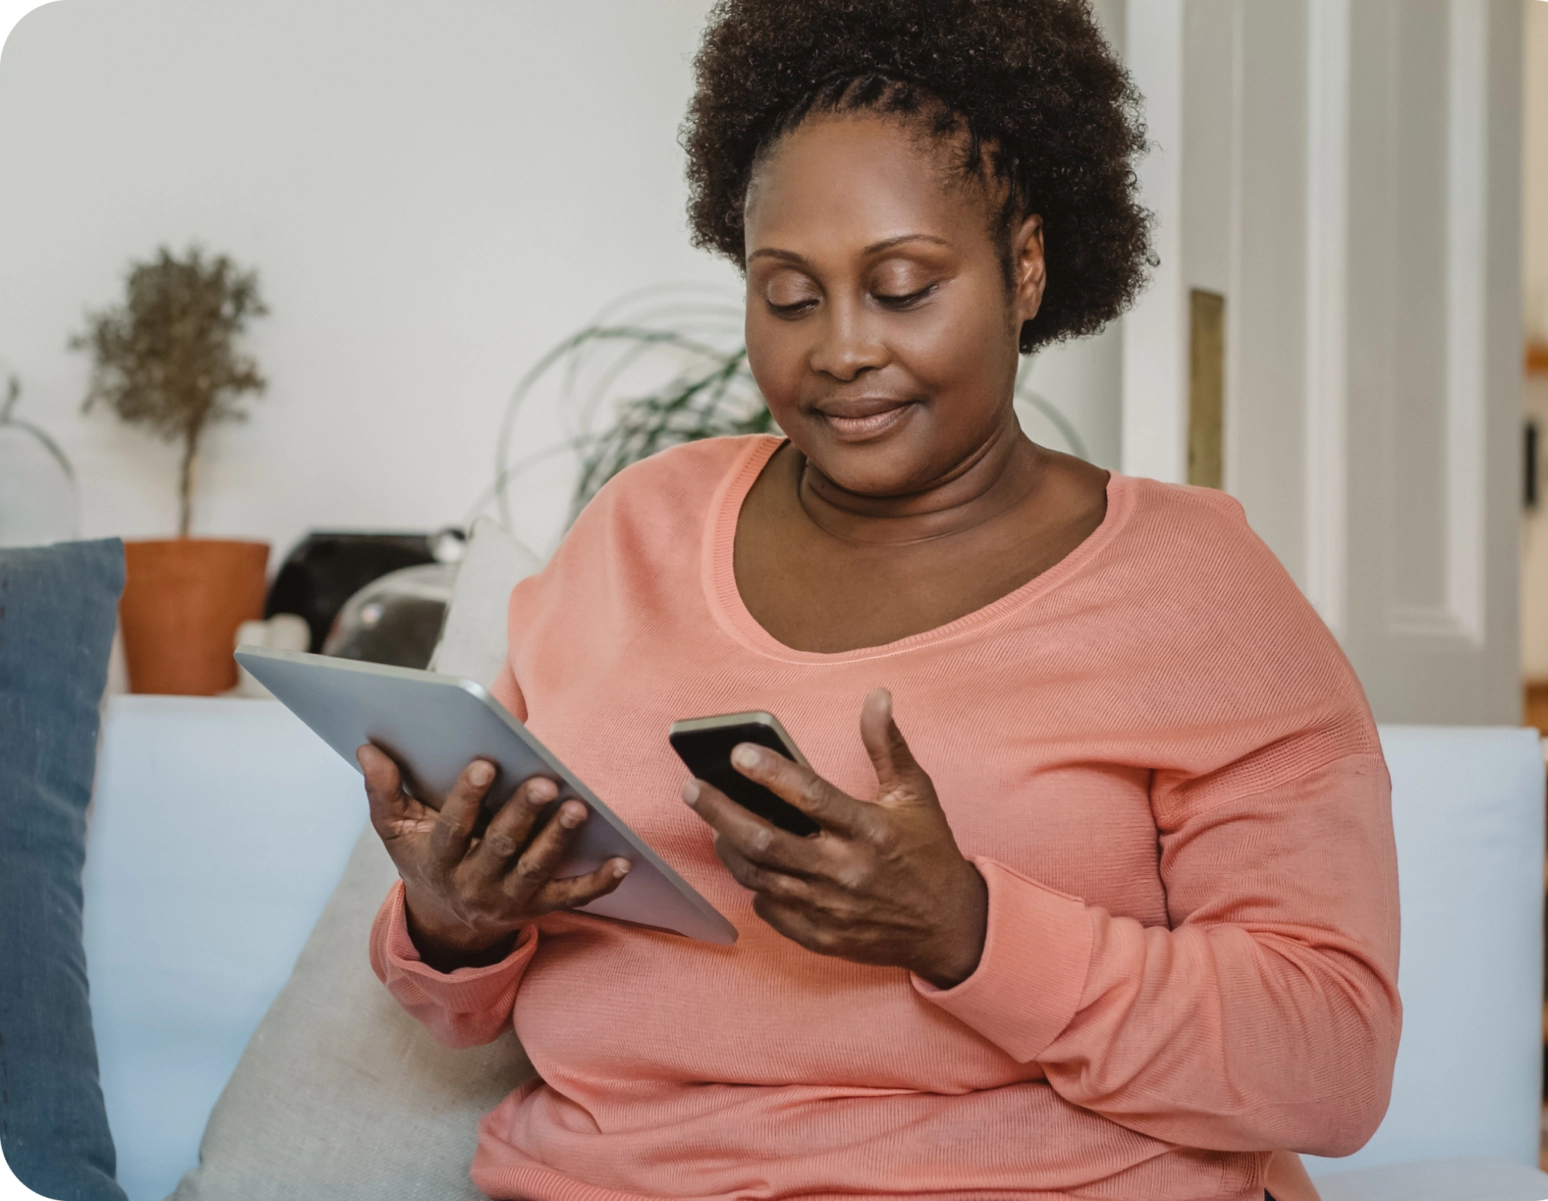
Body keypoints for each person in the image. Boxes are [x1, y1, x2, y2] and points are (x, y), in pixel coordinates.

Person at [357, 1, 1401, 1198]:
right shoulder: (635, 532)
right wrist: (454, 922)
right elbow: (461, 1005)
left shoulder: (1198, 594)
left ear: (1024, 266)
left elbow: (1332, 1059)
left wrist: (967, 929)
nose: (840, 348)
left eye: (901, 287)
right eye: (789, 297)